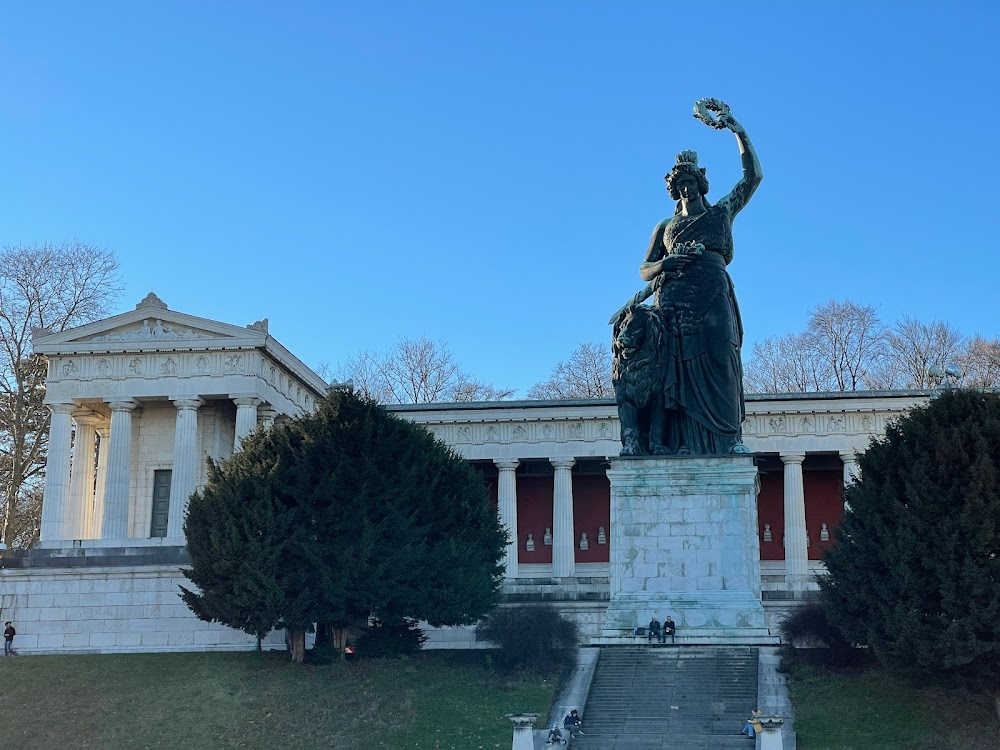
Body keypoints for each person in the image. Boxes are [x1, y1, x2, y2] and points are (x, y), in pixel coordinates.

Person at [612, 101, 761, 456]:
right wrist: (667, 263)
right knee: (675, 376)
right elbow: (644, 270)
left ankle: (728, 441)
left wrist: (737, 130)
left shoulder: (722, 211)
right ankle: (679, 443)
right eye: (679, 186)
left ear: (701, 184)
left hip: (712, 293)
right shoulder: (664, 227)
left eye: (690, 183)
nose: (685, 190)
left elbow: (752, 177)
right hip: (674, 304)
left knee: (723, 357)